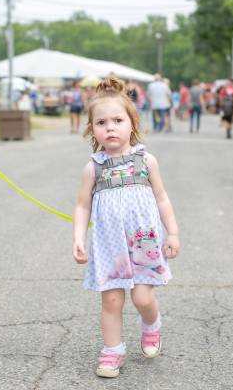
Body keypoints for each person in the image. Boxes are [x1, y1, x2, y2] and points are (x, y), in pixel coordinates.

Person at [72, 77, 180, 378]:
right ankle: (112, 351)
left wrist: (172, 232)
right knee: (111, 299)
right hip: (109, 245)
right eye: (101, 122)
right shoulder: (93, 167)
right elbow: (81, 206)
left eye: (117, 120)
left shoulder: (146, 161)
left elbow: (162, 197)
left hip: (143, 241)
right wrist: (78, 237)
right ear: (92, 129)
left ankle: (151, 324)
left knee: (143, 297)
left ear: (131, 123)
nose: (110, 127)